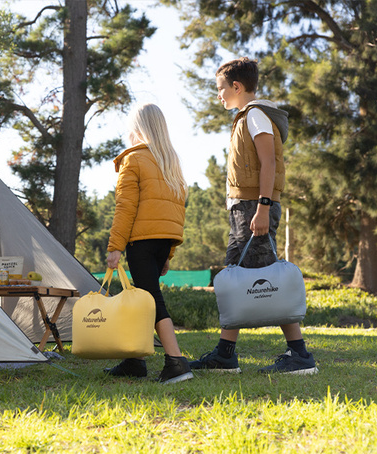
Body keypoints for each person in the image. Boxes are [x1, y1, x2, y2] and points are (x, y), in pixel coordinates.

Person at [189, 57, 318, 375]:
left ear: (237, 86)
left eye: (221, 88)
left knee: (264, 275)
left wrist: (261, 207)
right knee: (240, 274)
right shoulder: (246, 117)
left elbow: (269, 163)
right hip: (244, 208)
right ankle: (225, 353)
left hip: (253, 207)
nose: (218, 95)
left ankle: (299, 355)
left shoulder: (256, 115)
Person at [104, 103, 193, 384]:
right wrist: (169, 253)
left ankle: (176, 362)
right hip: (164, 241)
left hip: (141, 241)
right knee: (145, 299)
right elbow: (176, 211)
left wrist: (115, 247)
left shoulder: (134, 160)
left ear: (137, 129)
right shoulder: (170, 160)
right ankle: (135, 361)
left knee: (152, 299)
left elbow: (125, 208)